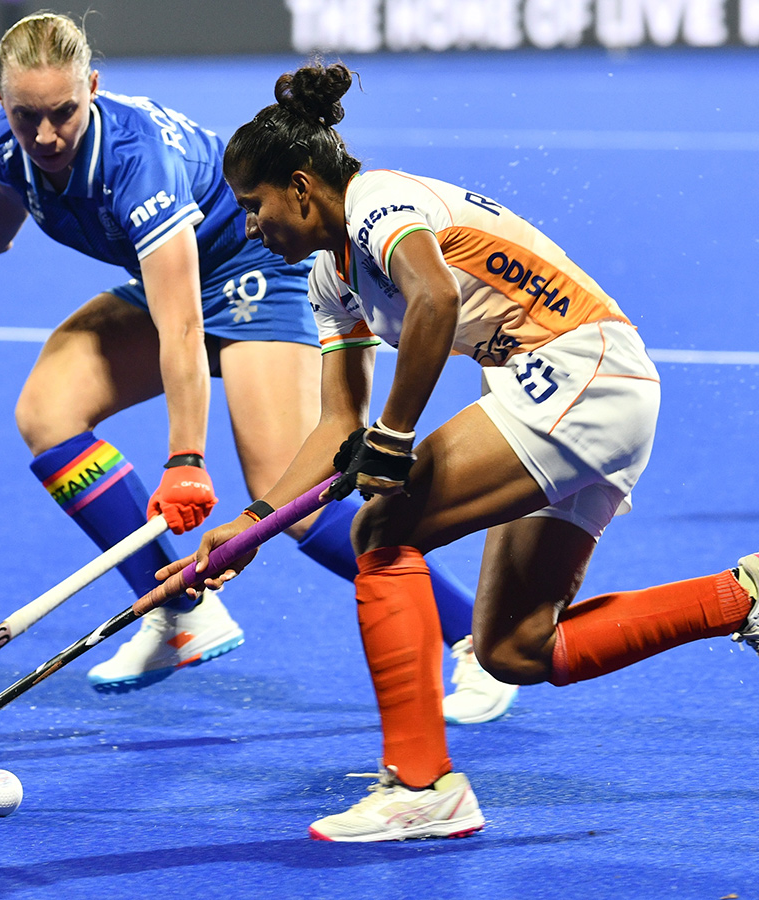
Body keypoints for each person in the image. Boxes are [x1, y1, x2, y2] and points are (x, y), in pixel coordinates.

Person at [166, 61, 759, 842]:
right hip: (577, 390)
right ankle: (742, 598)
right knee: (514, 648)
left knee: (383, 532)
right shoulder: (327, 277)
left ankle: (422, 784)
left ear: (303, 188)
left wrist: (396, 437)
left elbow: (435, 298)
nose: (249, 226)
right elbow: (338, 424)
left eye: (255, 206)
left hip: (581, 372)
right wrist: (251, 524)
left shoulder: (380, 204)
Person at [0, 13, 516, 722]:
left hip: (253, 263)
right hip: (178, 283)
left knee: (286, 496)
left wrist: (186, 455)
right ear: (0, 104)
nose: (45, 137)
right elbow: (6, 185)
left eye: (62, 113)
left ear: (92, 88)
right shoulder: (10, 148)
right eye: (24, 116)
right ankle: (181, 614)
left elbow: (182, 323)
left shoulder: (135, 164)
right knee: (47, 412)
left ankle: (476, 635)